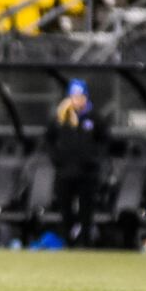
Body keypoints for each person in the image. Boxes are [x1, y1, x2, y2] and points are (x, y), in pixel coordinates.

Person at [45, 79, 108, 247]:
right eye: (74, 96)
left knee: (86, 210)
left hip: (87, 173)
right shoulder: (60, 118)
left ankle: (85, 243)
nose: (78, 100)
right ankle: (68, 242)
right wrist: (57, 159)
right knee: (65, 208)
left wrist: (94, 160)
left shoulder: (94, 118)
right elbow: (48, 140)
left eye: (81, 96)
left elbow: (105, 141)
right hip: (65, 172)